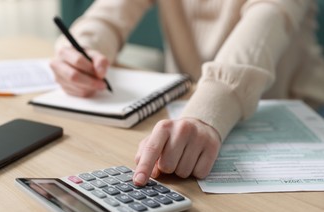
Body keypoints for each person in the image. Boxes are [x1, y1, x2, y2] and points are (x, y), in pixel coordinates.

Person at [50, 0, 324, 186]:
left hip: (291, 120)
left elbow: (267, 21)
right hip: (187, 113)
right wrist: (80, 52)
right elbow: (107, 16)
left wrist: (206, 114)